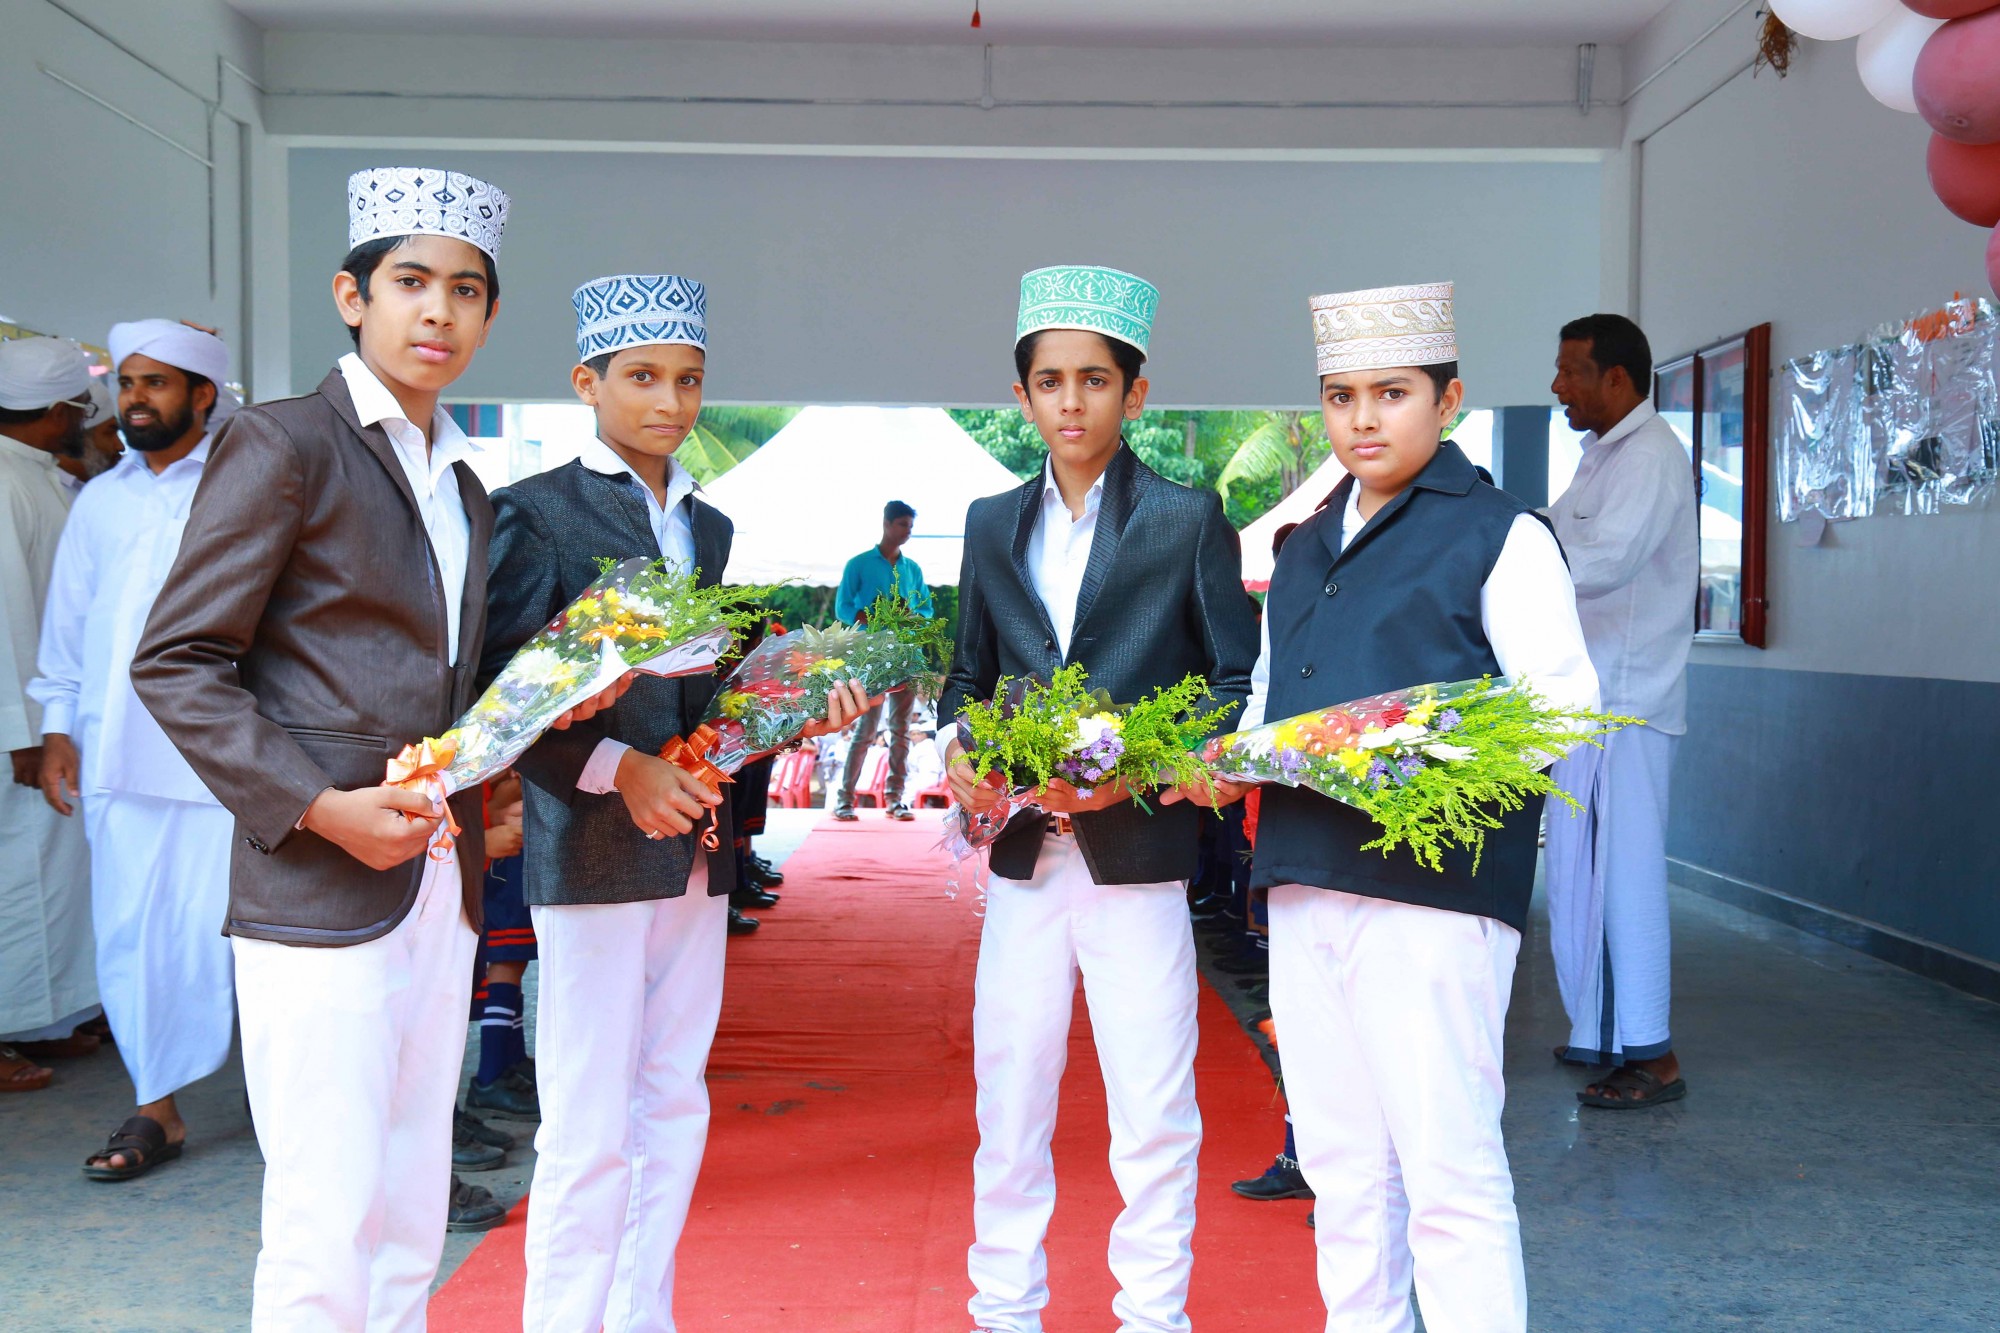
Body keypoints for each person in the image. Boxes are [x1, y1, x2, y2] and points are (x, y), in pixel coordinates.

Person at [130, 167, 589, 1329]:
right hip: (316, 882)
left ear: (489, 316)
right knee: (324, 1215)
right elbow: (177, 660)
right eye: (410, 282)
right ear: (353, 296)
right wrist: (319, 806)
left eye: (465, 291)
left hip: (438, 879)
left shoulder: (465, 484)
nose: (438, 310)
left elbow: (440, 685)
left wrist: (531, 734)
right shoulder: (286, 442)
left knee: (407, 1201)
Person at [1175, 282, 1599, 1332]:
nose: (1362, 418)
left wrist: (1399, 752)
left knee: (1449, 1171)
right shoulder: (1303, 546)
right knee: (1342, 1171)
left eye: (1391, 392)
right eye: (1340, 396)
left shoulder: (1501, 533)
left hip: (1435, 897)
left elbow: (1561, 708)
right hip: (1303, 885)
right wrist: (1225, 761)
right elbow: (1269, 704)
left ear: (1447, 401)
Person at [482, 272, 874, 1332]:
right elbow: (507, 696)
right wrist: (619, 767)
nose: (669, 400)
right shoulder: (534, 513)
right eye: (643, 377)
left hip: (699, 845)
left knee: (672, 1101)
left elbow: (707, 698)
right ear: (586, 382)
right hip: (592, 848)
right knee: (586, 1122)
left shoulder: (710, 523)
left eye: (688, 380)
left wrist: (792, 708)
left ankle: (641, 1315)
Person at [944, 265, 1259, 1333]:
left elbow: (1232, 679)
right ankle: (1003, 1309)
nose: (1070, 401)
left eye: (1093, 379)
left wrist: (1151, 762)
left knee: (1153, 1109)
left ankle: (1154, 1316)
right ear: (1022, 395)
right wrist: (959, 748)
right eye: (1049, 381)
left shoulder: (1186, 517)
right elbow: (967, 675)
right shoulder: (989, 522)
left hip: (1139, 860)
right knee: (1009, 1100)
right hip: (1025, 860)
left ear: (1135, 390)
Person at [30, 319, 239, 1180]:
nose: (135, 399)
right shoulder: (101, 500)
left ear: (203, 394)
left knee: (237, 934)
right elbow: (68, 624)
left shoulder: (245, 485)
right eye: (126, 383)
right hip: (117, 748)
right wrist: (57, 728)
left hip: (227, 755)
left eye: (156, 382)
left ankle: (292, 1103)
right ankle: (156, 1106)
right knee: (131, 933)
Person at [1545, 312, 1699, 1109]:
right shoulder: (1603, 456)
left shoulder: (1651, 457)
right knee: (1579, 874)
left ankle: (1652, 1053)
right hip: (1589, 702)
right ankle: (1603, 1031)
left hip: (1625, 705)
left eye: (1572, 371)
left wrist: (1510, 557)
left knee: (1622, 877)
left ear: (1617, 377)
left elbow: (1601, 562)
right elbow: (1558, 540)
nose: (1557, 385)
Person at [0, 336, 99, 1087]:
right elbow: (7, 619)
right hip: (22, 729)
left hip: (51, 721)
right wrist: (23, 734)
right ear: (59, 410)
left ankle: (44, 1019)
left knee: (52, 877)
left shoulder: (39, 476)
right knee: (15, 881)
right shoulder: (7, 484)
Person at [831, 500, 934, 821]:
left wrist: (910, 613)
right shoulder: (859, 564)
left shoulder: (912, 569)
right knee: (866, 728)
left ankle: (895, 799)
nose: (907, 532)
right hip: (871, 658)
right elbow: (842, 607)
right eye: (903, 524)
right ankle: (845, 800)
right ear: (887, 524)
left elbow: (927, 611)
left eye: (911, 526)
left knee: (901, 730)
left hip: (906, 656)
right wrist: (865, 615)